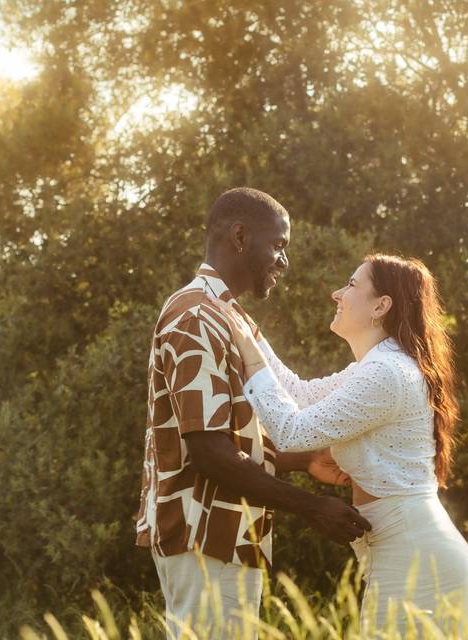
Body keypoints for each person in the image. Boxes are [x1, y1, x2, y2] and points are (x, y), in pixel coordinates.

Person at [135, 188, 371, 639]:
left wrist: (301, 461)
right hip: (203, 535)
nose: (283, 261)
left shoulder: (226, 315)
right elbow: (207, 453)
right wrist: (311, 507)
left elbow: (225, 439)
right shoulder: (197, 316)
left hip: (229, 535)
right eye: (278, 245)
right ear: (240, 236)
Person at [212, 254, 468, 638]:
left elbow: (291, 431)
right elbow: (298, 393)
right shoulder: (378, 366)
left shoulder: (387, 372)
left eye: (352, 284)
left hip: (417, 557)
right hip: (403, 547)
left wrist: (251, 364)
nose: (337, 293)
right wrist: (249, 332)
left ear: (381, 305)